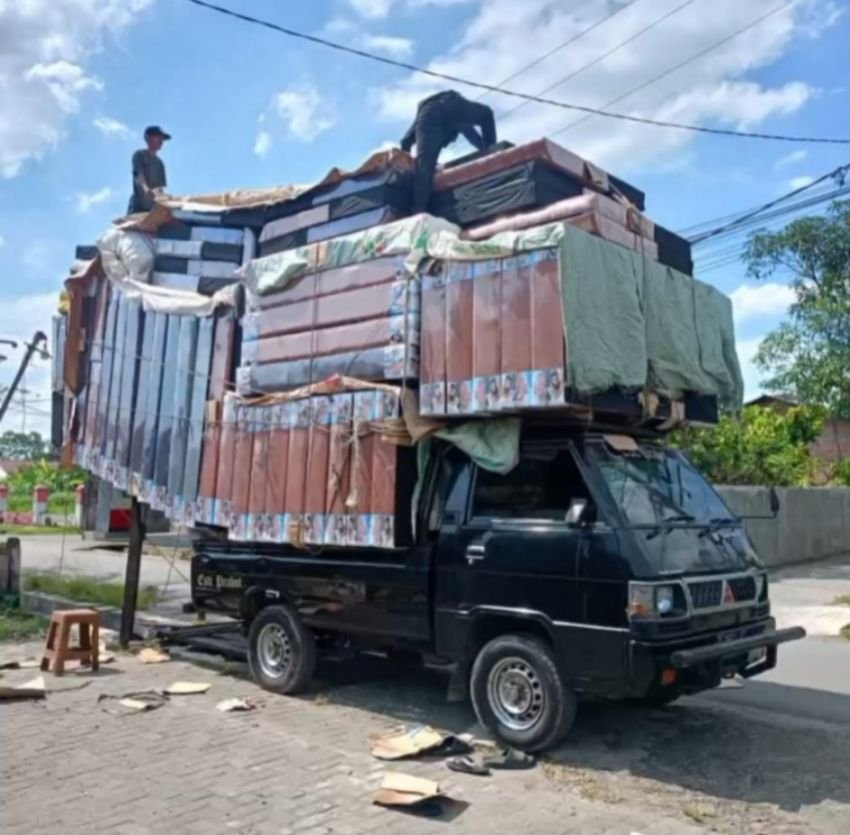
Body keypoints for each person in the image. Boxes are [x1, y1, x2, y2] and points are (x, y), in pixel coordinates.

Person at [400, 90, 497, 213]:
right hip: (446, 105)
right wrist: (490, 152)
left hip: (437, 109)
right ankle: (419, 210)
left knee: (424, 168)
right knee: (486, 114)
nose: (447, 144)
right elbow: (474, 135)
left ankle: (419, 210)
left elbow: (405, 142)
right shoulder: (451, 115)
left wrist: (405, 168)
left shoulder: (427, 119)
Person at [128, 125, 171, 214]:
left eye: (162, 139)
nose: (161, 141)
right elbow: (138, 175)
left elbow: (160, 189)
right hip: (138, 207)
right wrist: (146, 189)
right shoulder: (139, 155)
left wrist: (166, 200)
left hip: (152, 210)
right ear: (148, 138)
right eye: (158, 137)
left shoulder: (160, 164)